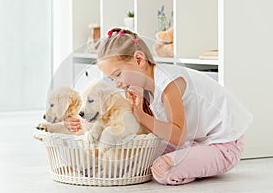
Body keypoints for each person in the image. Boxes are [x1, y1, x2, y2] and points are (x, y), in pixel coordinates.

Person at [65, 28, 253, 185]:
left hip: (224, 144)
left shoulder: (169, 83)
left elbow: (177, 136)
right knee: (137, 158)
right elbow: (134, 127)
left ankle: (192, 164)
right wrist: (85, 125)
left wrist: (142, 115)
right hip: (194, 140)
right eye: (112, 78)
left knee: (161, 171)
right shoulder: (142, 87)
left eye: (118, 74)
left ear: (139, 60)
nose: (117, 84)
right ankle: (192, 158)